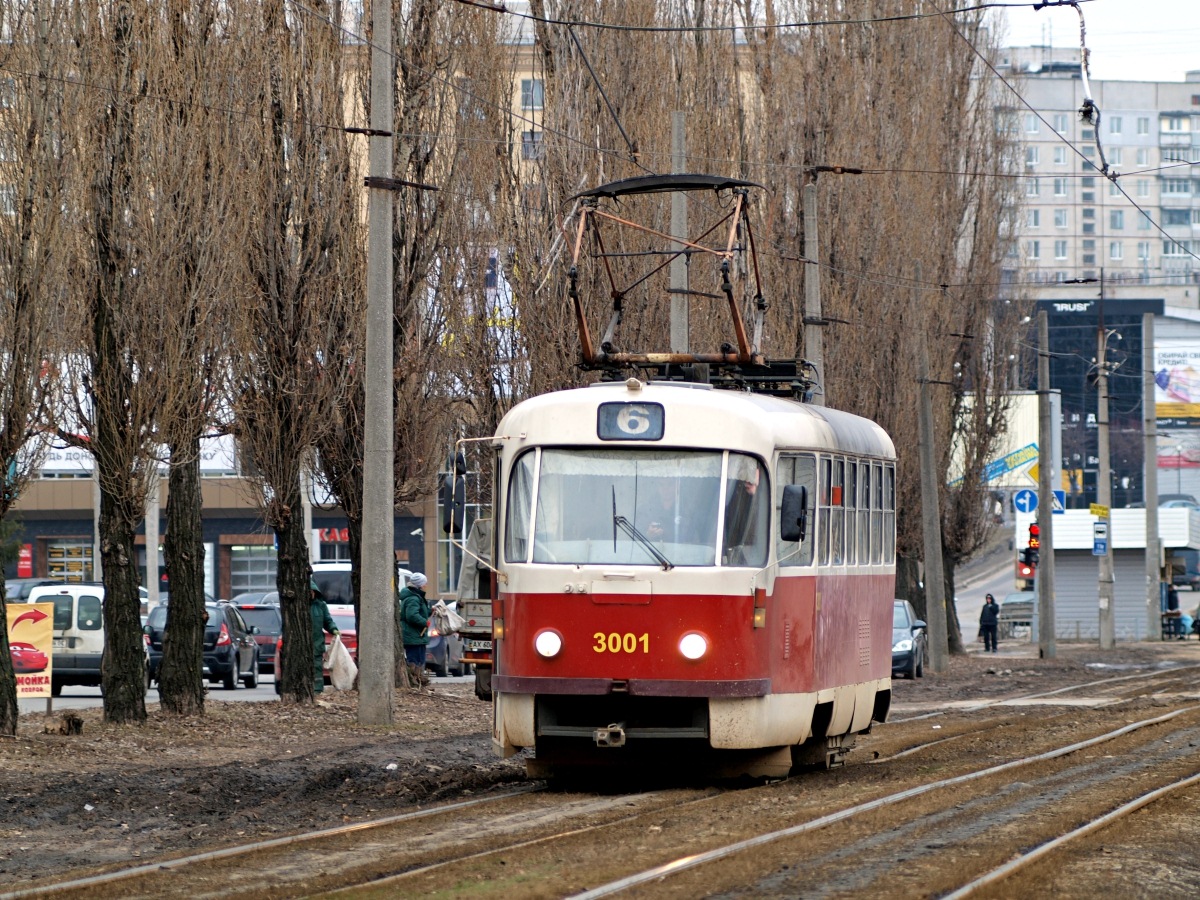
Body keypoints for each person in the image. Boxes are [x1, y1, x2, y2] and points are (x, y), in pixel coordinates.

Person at [399, 572, 432, 674]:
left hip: (416, 636)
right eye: (425, 583)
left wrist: (431, 610)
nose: (426, 586)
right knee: (415, 661)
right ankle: (415, 681)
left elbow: (418, 612)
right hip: (413, 636)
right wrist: (424, 622)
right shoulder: (413, 598)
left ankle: (418, 681)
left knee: (419, 660)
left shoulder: (415, 596)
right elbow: (412, 616)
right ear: (420, 585)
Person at [309, 579, 339, 693]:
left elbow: (327, 621)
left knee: (317, 668)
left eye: (312, 591)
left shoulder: (321, 605)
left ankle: (317, 691)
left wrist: (334, 629)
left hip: (317, 644)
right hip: (302, 646)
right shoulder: (300, 607)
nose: (311, 593)